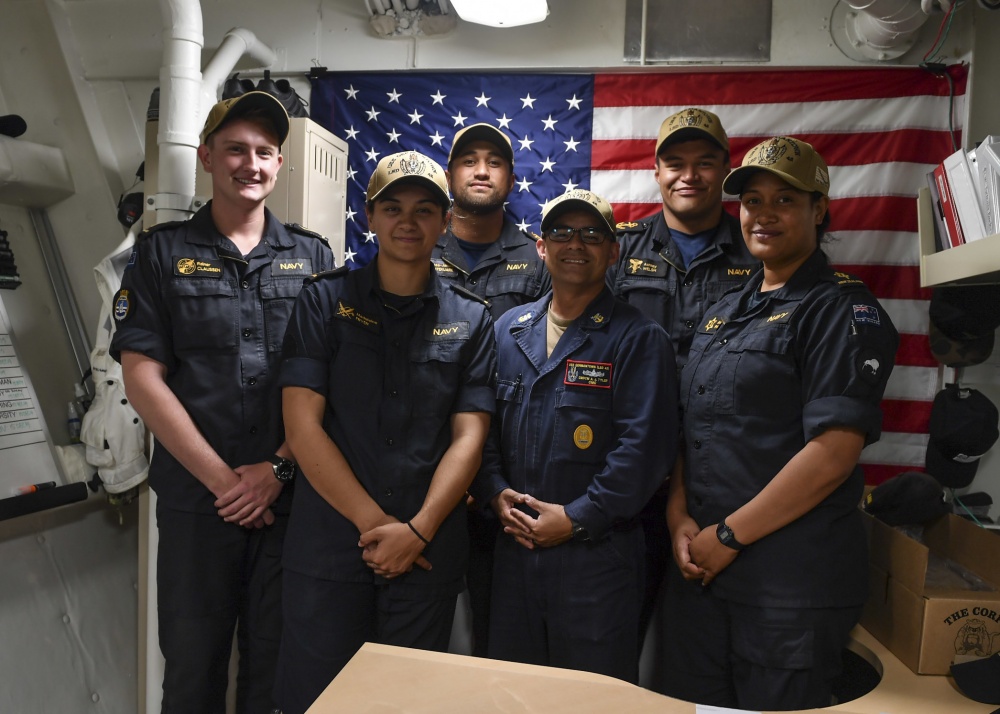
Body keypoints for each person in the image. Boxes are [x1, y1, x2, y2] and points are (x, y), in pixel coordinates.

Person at [111, 91, 335, 713]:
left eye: (264, 151)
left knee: (278, 671)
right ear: (207, 157)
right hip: (197, 505)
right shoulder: (160, 252)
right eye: (236, 149)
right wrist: (225, 483)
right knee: (192, 671)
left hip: (290, 502)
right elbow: (142, 378)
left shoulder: (313, 257)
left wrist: (277, 470)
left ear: (280, 163)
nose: (251, 164)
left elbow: (330, 380)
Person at [662, 136, 899, 711]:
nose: (764, 214)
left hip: (786, 587)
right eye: (752, 201)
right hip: (702, 573)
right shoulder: (725, 310)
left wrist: (728, 535)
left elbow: (833, 452)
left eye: (784, 200)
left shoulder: (838, 308)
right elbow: (695, 428)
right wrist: (678, 516)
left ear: (819, 210)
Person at [273, 150, 496, 714]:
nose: (407, 221)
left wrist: (416, 532)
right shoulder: (323, 301)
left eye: (424, 210)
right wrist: (380, 529)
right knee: (319, 703)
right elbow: (302, 426)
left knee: (406, 705)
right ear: (369, 217)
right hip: (330, 551)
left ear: (446, 222)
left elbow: (469, 438)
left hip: (426, 554)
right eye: (392, 208)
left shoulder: (472, 319)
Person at [480, 188, 677, 683]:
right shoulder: (506, 330)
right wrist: (494, 492)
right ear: (541, 247)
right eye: (561, 233)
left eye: (592, 234)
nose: (575, 244)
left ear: (613, 252)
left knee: (592, 699)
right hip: (514, 552)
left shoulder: (639, 339)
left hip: (597, 560)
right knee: (512, 696)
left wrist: (575, 519)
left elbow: (642, 453)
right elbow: (479, 431)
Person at [608, 107, 760, 650]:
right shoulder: (618, 249)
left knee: (700, 644)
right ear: (656, 172)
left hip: (722, 475)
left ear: (725, 170)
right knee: (615, 626)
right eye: (675, 163)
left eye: (704, 162)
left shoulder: (760, 249)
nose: (688, 175)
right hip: (628, 470)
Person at [436, 122, 550, 657]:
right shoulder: (416, 247)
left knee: (499, 637)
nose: (481, 171)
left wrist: (486, 480)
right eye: (469, 160)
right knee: (417, 634)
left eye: (495, 162)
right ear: (449, 174)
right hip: (424, 470)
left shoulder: (539, 261)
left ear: (511, 178)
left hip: (507, 482)